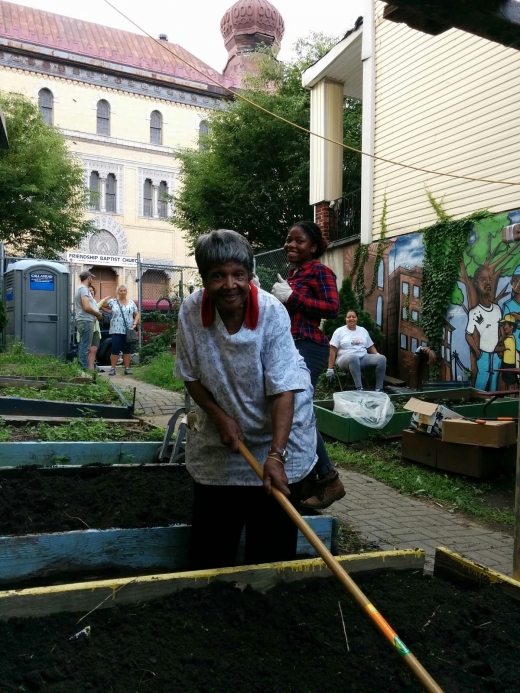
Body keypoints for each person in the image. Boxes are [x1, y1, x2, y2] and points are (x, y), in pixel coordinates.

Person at [174, 229, 317, 570]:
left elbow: (284, 388)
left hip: (280, 432)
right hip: (225, 435)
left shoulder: (271, 313)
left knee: (270, 552)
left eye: (238, 274)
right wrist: (220, 417)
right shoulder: (192, 312)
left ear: (250, 276)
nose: (229, 284)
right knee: (210, 548)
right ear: (205, 279)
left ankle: (266, 600)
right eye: (218, 276)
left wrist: (276, 455)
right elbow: (190, 375)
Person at [271, 220, 344, 511]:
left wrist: (293, 297)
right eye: (289, 240)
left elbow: (333, 308)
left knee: (298, 411)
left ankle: (329, 479)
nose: (290, 245)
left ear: (312, 247)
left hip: (310, 346)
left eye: (298, 241)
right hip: (290, 346)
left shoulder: (320, 271)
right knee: (289, 411)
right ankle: (314, 477)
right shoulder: (293, 273)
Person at [327, 309, 387, 391]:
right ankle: (359, 388)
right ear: (345, 319)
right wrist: (330, 368)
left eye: (353, 317)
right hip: (344, 359)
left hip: (362, 358)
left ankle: (379, 389)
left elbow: (370, 346)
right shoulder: (339, 331)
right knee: (354, 357)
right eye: (349, 317)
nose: (351, 319)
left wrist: (377, 355)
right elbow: (333, 350)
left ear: (357, 318)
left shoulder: (362, 330)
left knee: (382, 359)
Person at [104, 285, 140, 376]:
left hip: (128, 329)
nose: (123, 292)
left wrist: (134, 324)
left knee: (127, 349)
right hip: (116, 329)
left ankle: (127, 368)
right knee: (115, 348)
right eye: (121, 290)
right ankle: (112, 368)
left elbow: (137, 314)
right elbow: (101, 306)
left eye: (124, 290)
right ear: (118, 292)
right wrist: (110, 312)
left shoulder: (131, 303)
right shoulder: (113, 302)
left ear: (126, 292)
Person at [76, 285, 111, 371]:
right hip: (87, 326)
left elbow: (97, 307)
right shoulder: (84, 301)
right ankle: (83, 368)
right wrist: (95, 315)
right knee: (85, 348)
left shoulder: (94, 301)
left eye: (92, 290)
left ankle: (91, 369)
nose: (91, 291)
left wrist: (103, 301)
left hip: (95, 329)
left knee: (94, 349)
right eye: (89, 290)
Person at [74, 270, 103, 371]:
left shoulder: (79, 288)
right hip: (86, 320)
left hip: (82, 320)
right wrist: (97, 313)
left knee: (83, 345)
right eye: (92, 278)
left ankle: (81, 368)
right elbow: (86, 307)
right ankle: (84, 370)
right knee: (85, 347)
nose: (92, 280)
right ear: (89, 278)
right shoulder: (84, 289)